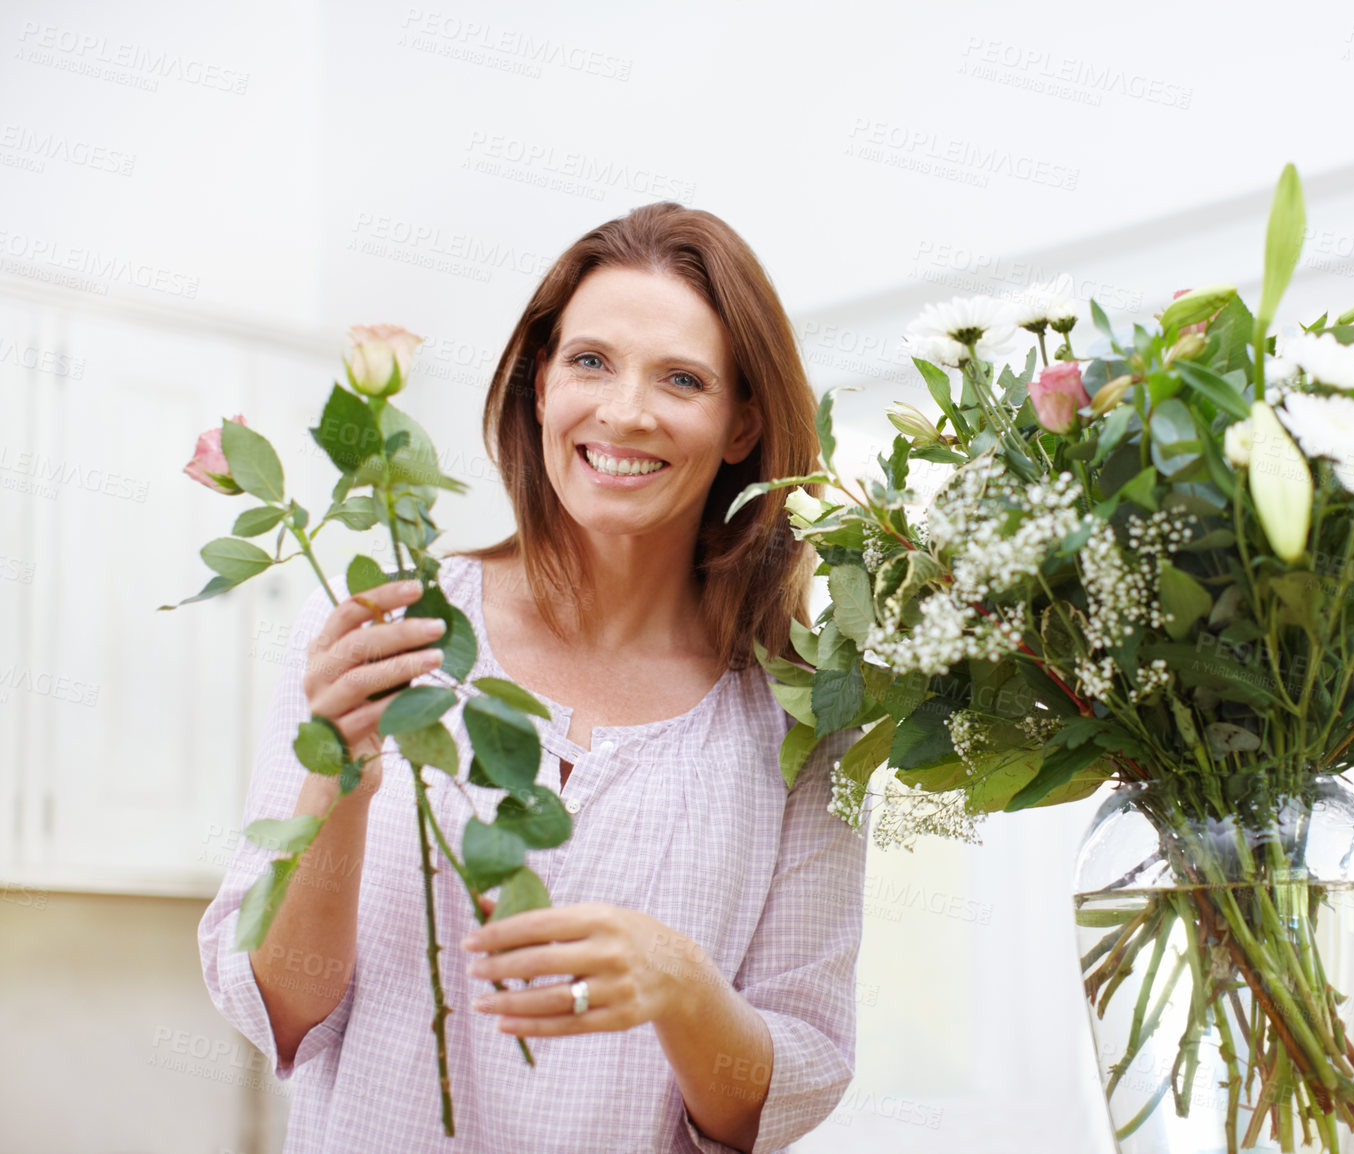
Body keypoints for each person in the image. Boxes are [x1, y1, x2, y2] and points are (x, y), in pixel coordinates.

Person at [196, 202, 868, 1153]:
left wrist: (678, 980)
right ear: (540, 386)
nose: (624, 410)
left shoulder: (805, 716)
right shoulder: (390, 631)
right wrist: (338, 775)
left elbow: (777, 1095)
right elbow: (282, 1011)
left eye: (681, 378)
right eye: (590, 361)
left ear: (742, 426)